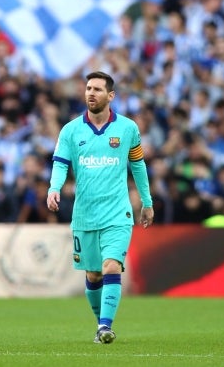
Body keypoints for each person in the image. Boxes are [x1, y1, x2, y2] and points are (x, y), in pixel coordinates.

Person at [47, 71, 153, 345]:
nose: (91, 93)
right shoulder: (70, 130)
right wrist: (54, 187)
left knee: (111, 266)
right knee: (93, 274)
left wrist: (147, 202)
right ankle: (100, 321)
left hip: (118, 212)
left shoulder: (127, 128)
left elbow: (138, 165)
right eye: (88, 88)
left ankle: (105, 326)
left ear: (110, 96)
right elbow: (60, 162)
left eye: (97, 89)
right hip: (84, 215)